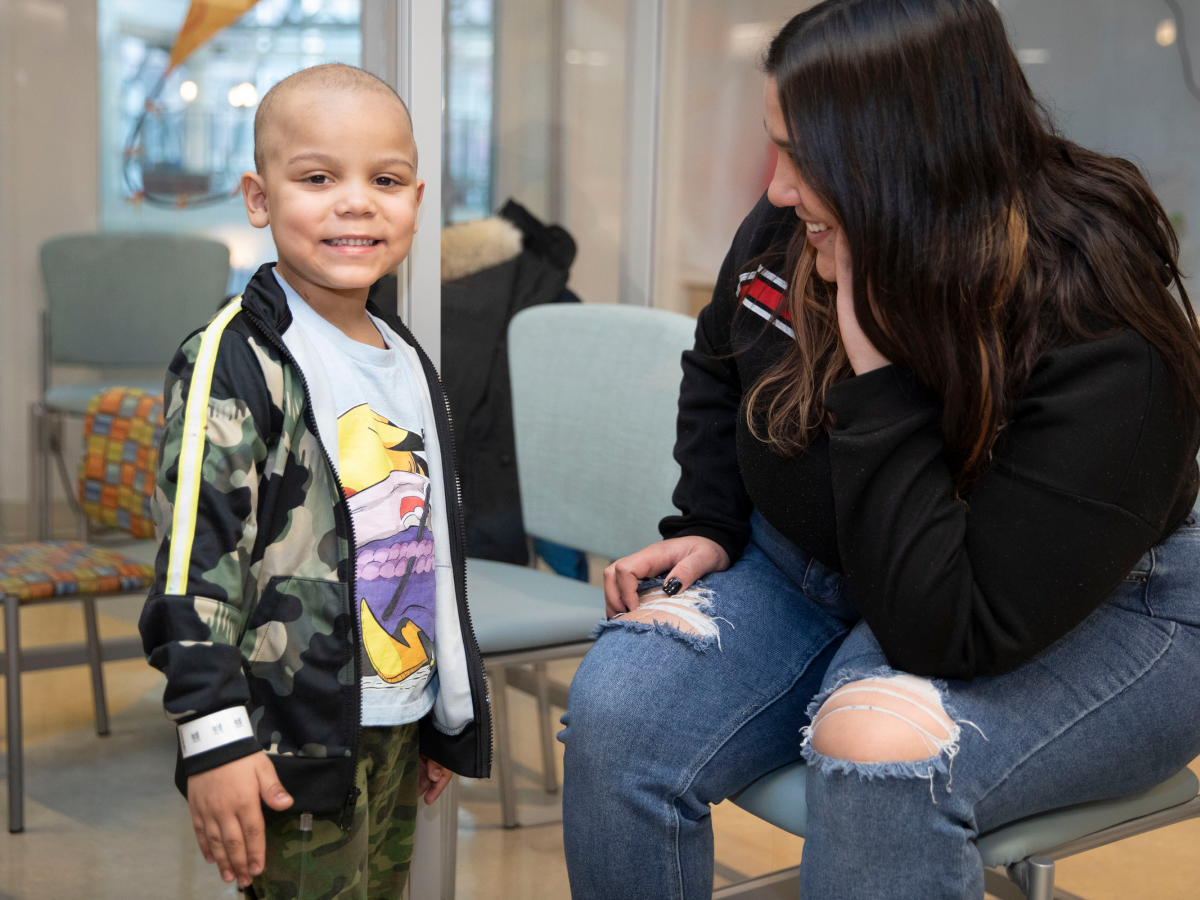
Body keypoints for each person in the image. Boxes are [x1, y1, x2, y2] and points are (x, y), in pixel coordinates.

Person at [559, 2, 1200, 898]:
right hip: (826, 573)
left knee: (878, 747)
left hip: (1069, 614)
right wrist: (710, 519)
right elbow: (720, 360)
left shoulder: (1092, 315)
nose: (778, 188)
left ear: (902, 154)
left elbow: (947, 626)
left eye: (804, 156)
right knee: (621, 706)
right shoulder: (803, 223)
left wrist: (878, 375)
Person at [139, 64, 490, 900]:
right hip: (288, 731)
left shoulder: (403, 354)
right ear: (259, 199)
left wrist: (440, 705)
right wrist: (215, 737)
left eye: (387, 180)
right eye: (319, 178)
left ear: (417, 196)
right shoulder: (234, 358)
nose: (357, 201)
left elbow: (427, 545)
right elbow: (195, 564)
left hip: (394, 717)